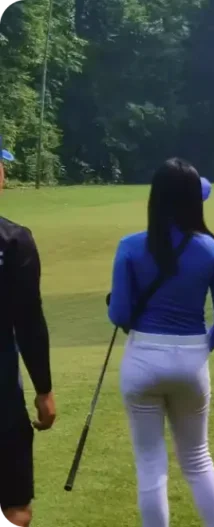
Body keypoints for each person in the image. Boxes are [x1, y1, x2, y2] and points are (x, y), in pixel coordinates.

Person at [107, 157, 214, 526]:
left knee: (151, 464)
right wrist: (199, 349)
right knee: (197, 459)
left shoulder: (130, 246)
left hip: (143, 357)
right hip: (192, 360)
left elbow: (119, 315)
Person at [0, 141, 57, 527]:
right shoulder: (14, 240)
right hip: (1, 391)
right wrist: (44, 390)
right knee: (14, 509)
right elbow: (29, 322)